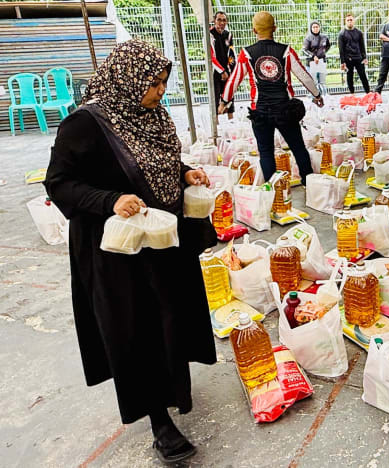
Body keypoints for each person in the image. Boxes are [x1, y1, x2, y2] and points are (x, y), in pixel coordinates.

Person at [44, 40, 217, 464]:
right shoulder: (84, 125)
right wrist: (110, 201)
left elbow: (157, 162)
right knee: (136, 329)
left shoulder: (151, 115)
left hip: (160, 239)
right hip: (117, 252)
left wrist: (183, 171)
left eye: (163, 83)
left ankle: (173, 391)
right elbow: (59, 183)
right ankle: (159, 422)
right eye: (154, 83)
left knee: (169, 318)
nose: (160, 92)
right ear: (128, 79)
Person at [220, 11, 324, 184]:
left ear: (254, 30)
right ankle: (310, 184)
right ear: (274, 28)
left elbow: (234, 80)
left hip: (260, 111)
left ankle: (274, 191)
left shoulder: (247, 53)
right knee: (298, 147)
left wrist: (224, 101)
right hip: (285, 110)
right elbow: (303, 75)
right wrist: (317, 95)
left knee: (266, 151)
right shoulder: (286, 51)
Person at [210, 11, 236, 119]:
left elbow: (232, 54)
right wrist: (221, 71)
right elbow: (211, 56)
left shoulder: (228, 35)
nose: (221, 22)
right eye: (219, 20)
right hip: (215, 71)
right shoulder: (210, 34)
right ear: (214, 21)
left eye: (224, 20)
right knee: (216, 98)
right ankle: (216, 126)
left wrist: (233, 71)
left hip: (227, 70)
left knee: (229, 96)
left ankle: (231, 123)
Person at [338, 13, 370, 94]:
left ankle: (368, 93)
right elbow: (341, 50)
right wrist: (342, 62)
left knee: (363, 76)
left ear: (354, 21)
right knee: (350, 76)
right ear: (345, 21)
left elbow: (362, 46)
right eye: (348, 20)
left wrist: (364, 57)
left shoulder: (359, 32)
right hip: (348, 59)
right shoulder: (342, 34)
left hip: (359, 58)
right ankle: (352, 94)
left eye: (351, 20)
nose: (350, 22)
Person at [303, 20, 331, 95]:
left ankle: (324, 97)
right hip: (311, 63)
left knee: (322, 81)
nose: (315, 28)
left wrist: (323, 52)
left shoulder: (324, 37)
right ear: (311, 28)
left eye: (317, 27)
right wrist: (313, 56)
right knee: (313, 82)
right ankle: (314, 98)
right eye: (314, 27)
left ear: (319, 27)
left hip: (322, 62)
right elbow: (305, 50)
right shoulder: (308, 38)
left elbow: (328, 46)